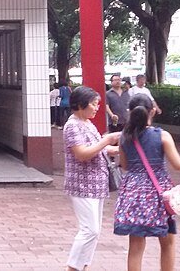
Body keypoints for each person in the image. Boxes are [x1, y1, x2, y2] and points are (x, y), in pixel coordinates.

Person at [113, 94, 180, 271]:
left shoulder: (125, 136)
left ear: (130, 112)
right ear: (152, 111)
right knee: (168, 242)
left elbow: (124, 166)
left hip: (133, 192)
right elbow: (178, 165)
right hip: (158, 193)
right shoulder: (162, 136)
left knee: (136, 246)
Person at [62, 86, 121, 271]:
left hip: (96, 184)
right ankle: (72, 267)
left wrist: (122, 146)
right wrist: (107, 140)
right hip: (82, 184)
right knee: (90, 230)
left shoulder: (87, 123)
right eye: (94, 104)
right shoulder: (73, 126)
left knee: (94, 232)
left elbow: (100, 150)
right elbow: (82, 154)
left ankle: (82, 266)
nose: (97, 108)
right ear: (81, 105)